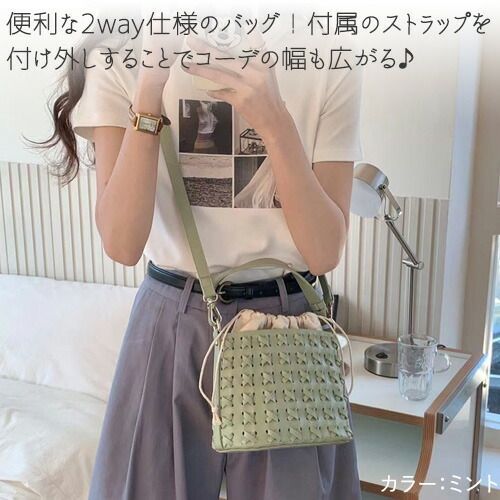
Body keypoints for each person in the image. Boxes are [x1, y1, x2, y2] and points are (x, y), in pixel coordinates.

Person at [34, 12, 364, 500]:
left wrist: (274, 120)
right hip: (172, 320)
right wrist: (149, 90)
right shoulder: (120, 53)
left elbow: (323, 251)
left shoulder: (328, 54)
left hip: (285, 332)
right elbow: (122, 243)